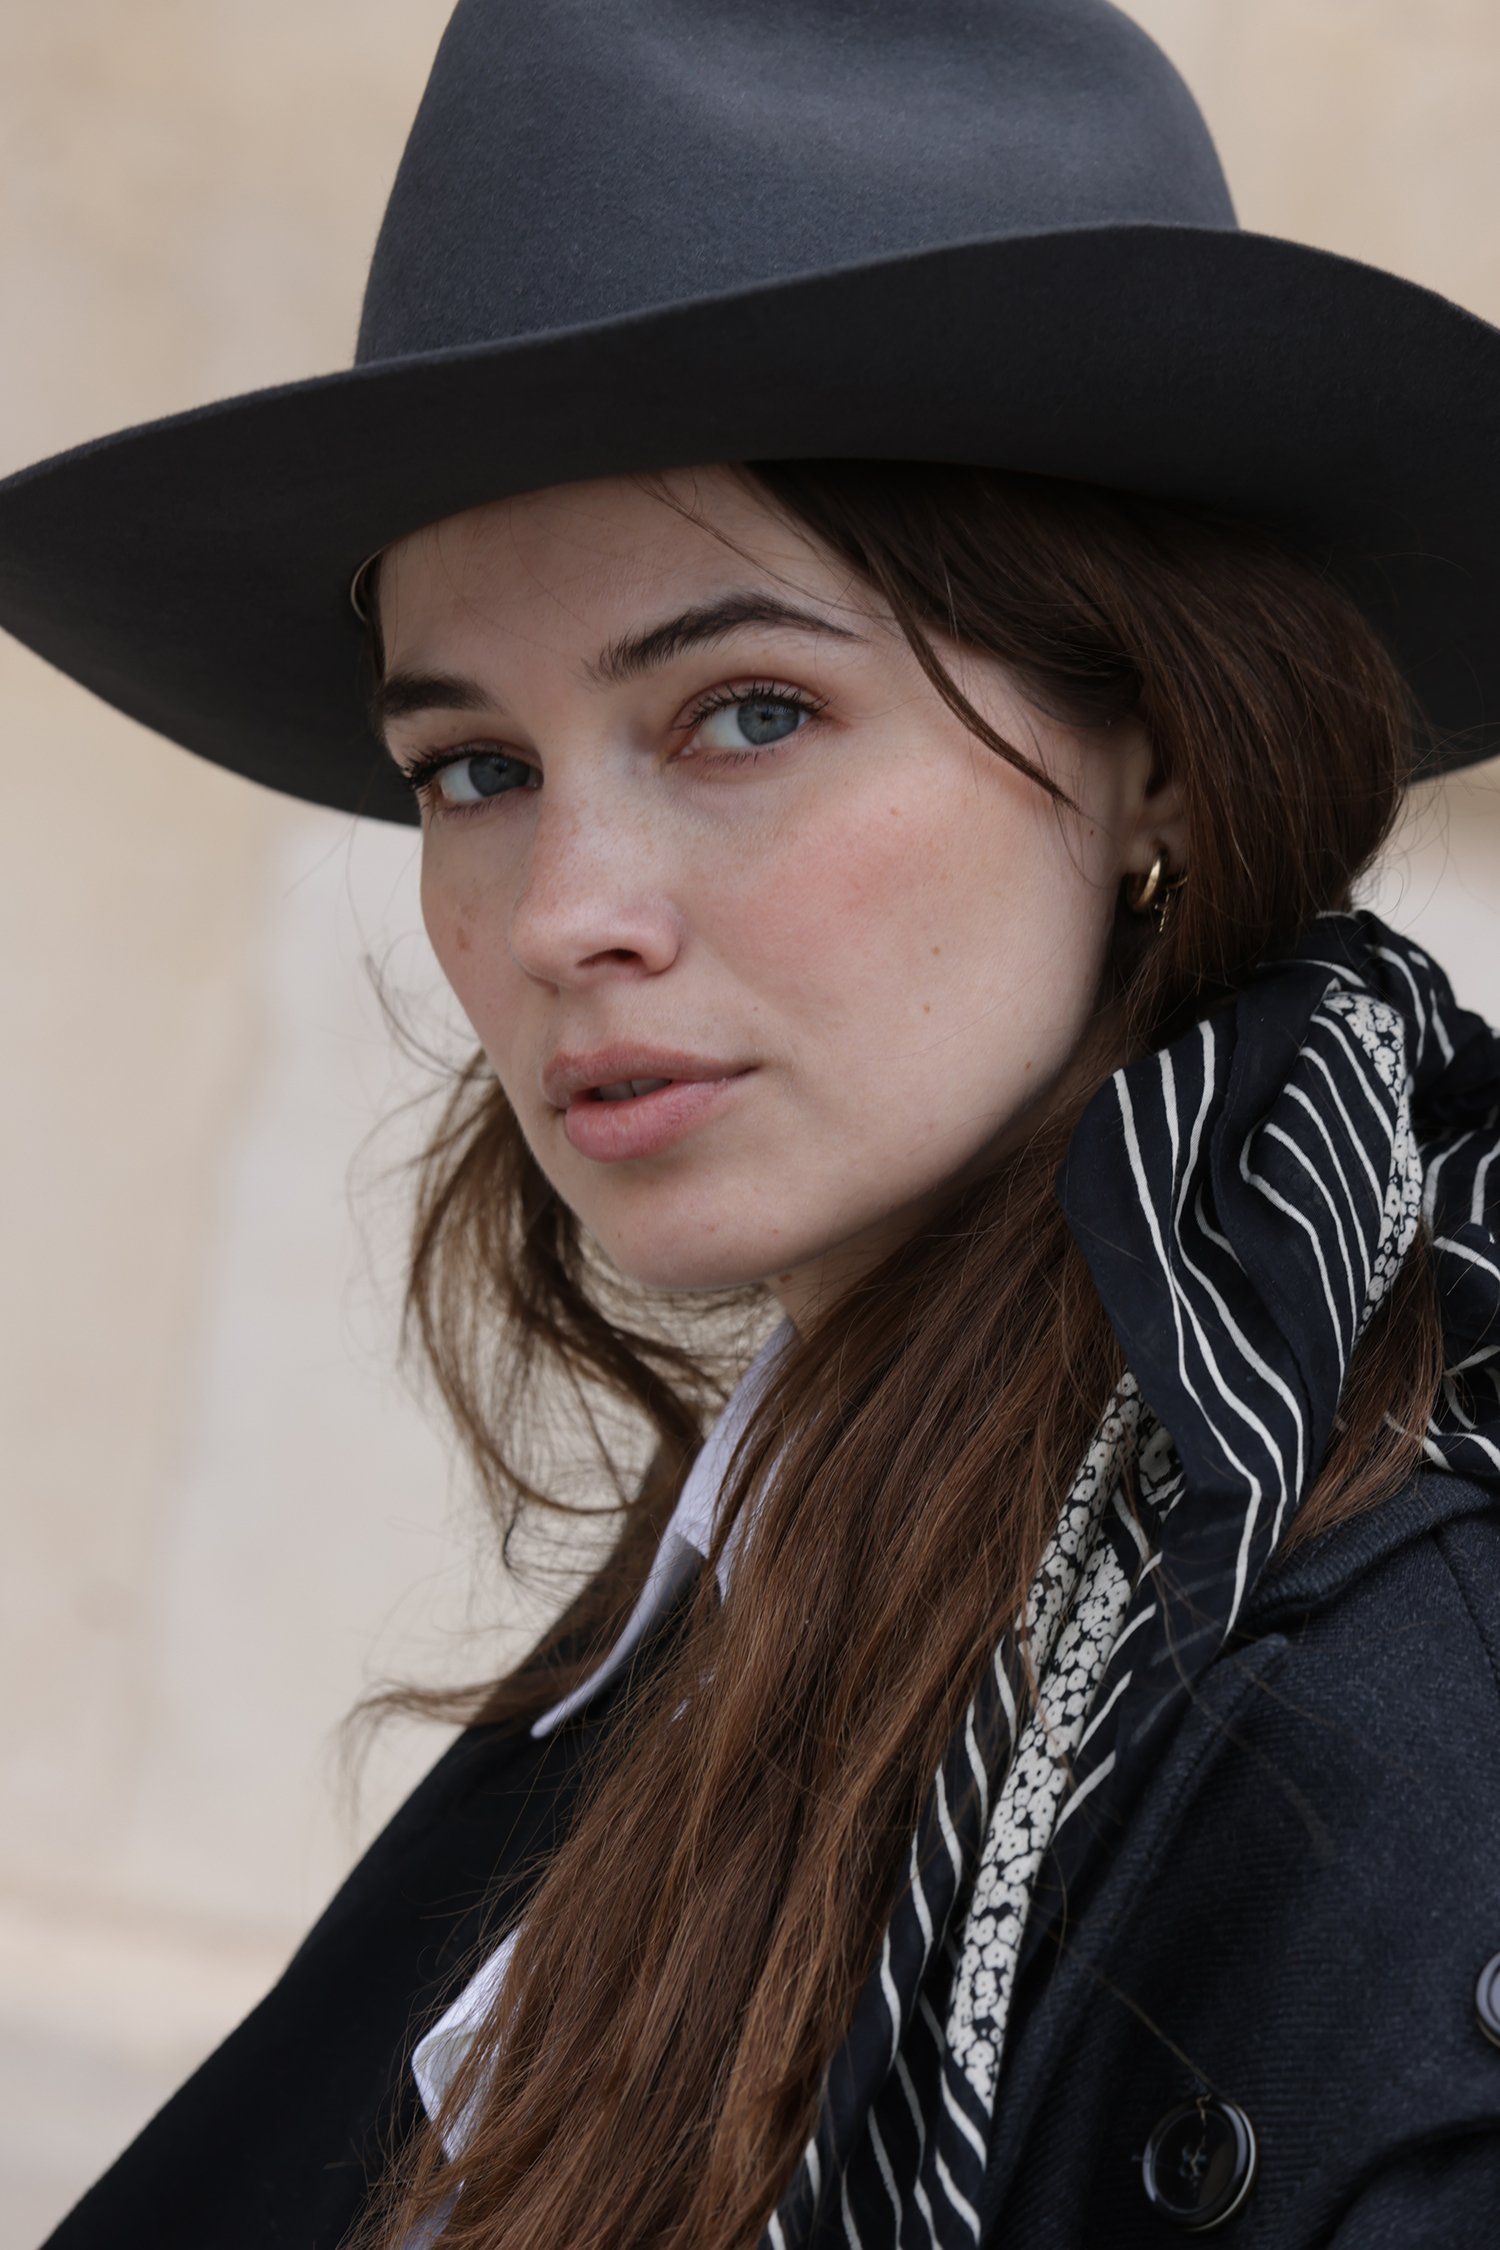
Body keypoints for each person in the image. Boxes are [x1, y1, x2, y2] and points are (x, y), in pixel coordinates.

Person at [3, 2, 1500, 2245]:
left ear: (1165, 753)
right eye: (472, 767)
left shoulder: (1380, 1721)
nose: (559, 915)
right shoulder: (766, 1572)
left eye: (748, 713)